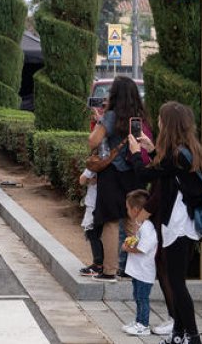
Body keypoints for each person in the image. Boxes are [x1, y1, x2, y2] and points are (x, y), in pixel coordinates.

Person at [128, 101, 202, 344]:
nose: (158, 123)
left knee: (176, 284)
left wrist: (134, 154)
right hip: (187, 225)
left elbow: (146, 174)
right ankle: (178, 335)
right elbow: (167, 173)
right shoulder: (187, 149)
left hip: (177, 226)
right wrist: (151, 151)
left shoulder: (175, 154)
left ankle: (192, 336)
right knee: (177, 280)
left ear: (168, 124)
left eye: (161, 119)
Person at [86, 76, 147, 282]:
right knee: (131, 221)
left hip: (112, 174)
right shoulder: (140, 116)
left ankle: (110, 270)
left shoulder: (112, 116)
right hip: (134, 171)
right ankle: (132, 269)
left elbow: (92, 141)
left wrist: (100, 120)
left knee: (110, 221)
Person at [121, 189, 159, 337]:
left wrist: (128, 248)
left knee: (142, 298)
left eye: (128, 208)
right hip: (138, 271)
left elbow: (144, 248)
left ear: (136, 210)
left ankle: (143, 325)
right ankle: (138, 321)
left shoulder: (148, 227)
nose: (127, 211)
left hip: (144, 271)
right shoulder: (141, 224)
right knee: (137, 296)